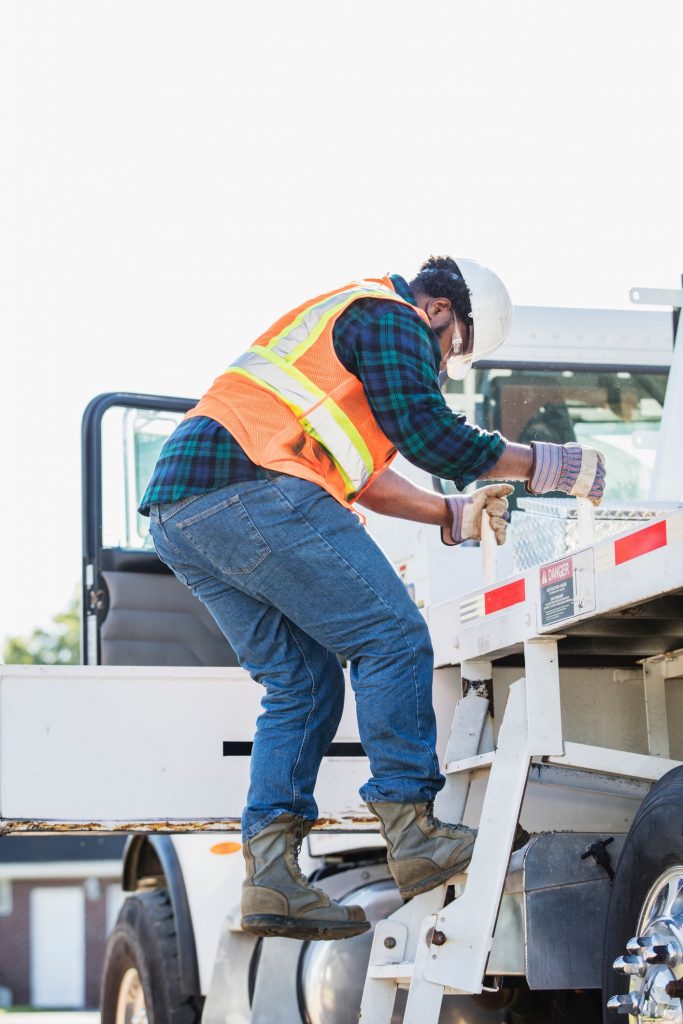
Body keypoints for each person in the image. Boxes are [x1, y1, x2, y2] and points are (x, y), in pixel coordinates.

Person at [138, 255, 605, 942]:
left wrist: (448, 515)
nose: (445, 364)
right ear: (441, 311)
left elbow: (360, 476)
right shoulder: (390, 317)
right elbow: (434, 437)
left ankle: (273, 876)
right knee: (391, 637)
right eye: (455, 350)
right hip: (250, 485)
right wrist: (547, 463)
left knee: (301, 682)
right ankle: (413, 831)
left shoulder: (342, 343)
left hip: (185, 513)